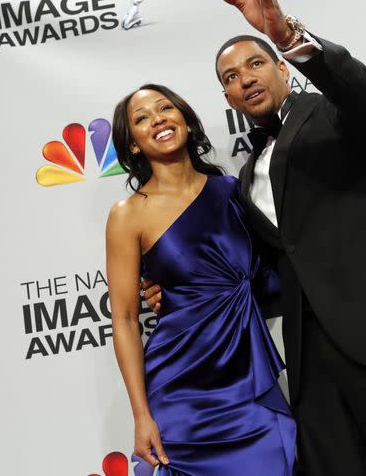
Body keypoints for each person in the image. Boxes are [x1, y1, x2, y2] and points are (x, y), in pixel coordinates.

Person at [146, 0, 366, 475]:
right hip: (311, 364)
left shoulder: (332, 117)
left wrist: (292, 35)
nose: (245, 78)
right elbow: (277, 273)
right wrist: (187, 290)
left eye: (255, 63)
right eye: (230, 76)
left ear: (281, 67)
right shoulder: (244, 178)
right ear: (226, 95)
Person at [105, 83, 295, 476]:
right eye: (141, 118)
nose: (157, 119)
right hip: (180, 389)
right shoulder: (128, 214)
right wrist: (141, 415)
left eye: (164, 108)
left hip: (248, 378)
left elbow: (272, 272)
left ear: (185, 121)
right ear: (134, 145)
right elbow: (124, 319)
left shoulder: (232, 191)